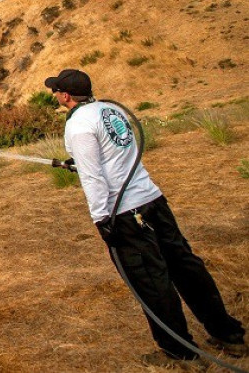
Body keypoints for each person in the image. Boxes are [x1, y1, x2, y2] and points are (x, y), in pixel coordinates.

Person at [44, 68, 247, 367]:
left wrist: (102, 220)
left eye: (56, 91)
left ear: (65, 96)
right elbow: (118, 153)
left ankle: (181, 353)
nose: (55, 95)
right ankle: (228, 334)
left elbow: (93, 177)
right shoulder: (110, 109)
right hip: (153, 200)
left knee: (152, 282)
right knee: (185, 266)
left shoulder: (77, 126)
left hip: (124, 213)